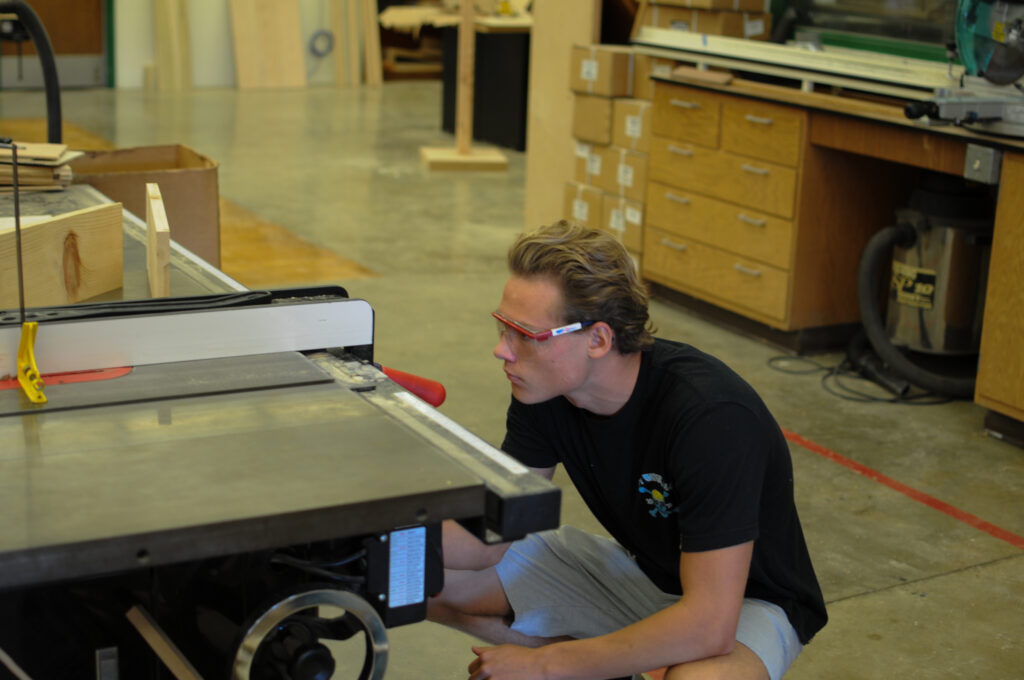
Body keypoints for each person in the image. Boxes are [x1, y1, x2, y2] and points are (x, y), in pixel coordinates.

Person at [427, 220, 827, 680]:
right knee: (410, 579)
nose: (503, 351)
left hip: (743, 603)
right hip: (645, 575)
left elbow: (711, 625)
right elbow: (490, 534)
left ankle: (595, 664)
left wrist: (545, 666)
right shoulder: (543, 390)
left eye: (525, 335)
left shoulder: (711, 417)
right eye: (502, 328)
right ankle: (615, 667)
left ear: (598, 339)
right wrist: (368, 533)